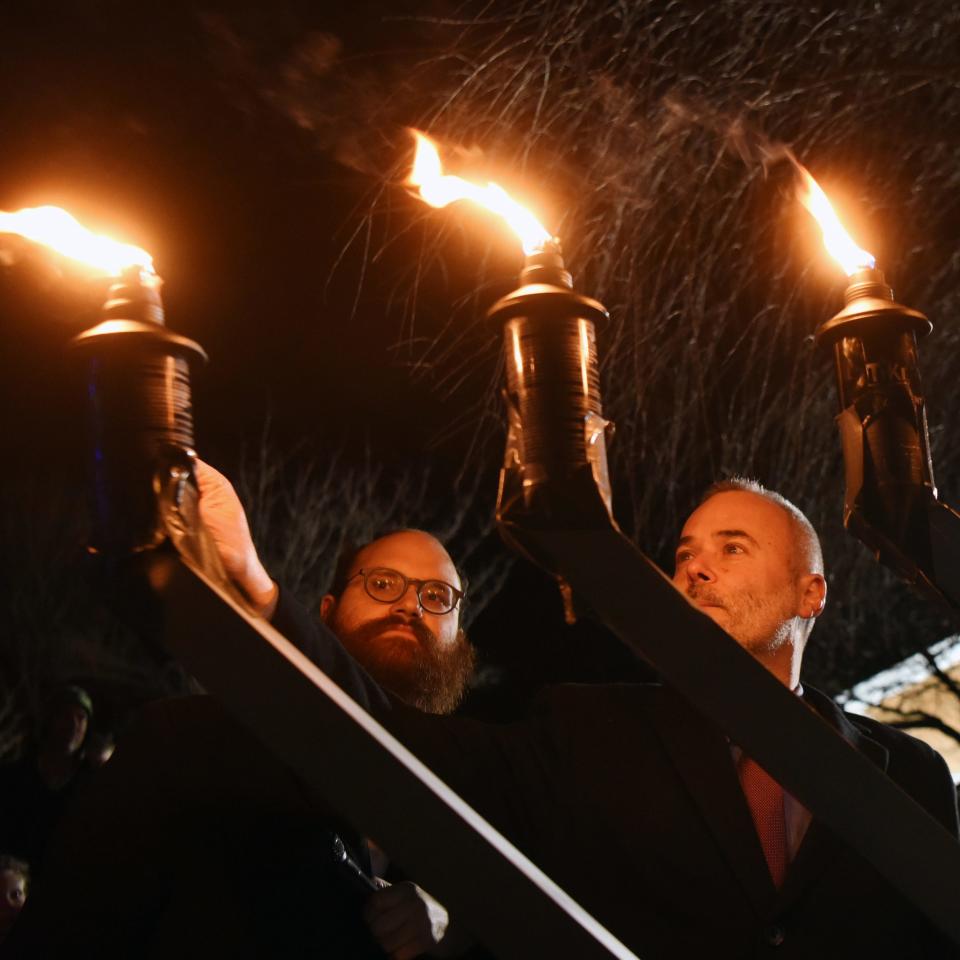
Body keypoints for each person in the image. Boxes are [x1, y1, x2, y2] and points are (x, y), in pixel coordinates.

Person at [215, 474, 959, 958]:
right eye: (683, 552)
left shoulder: (910, 776)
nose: (693, 568)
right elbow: (405, 743)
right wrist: (262, 599)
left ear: (812, 593)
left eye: (732, 548)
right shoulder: (590, 733)